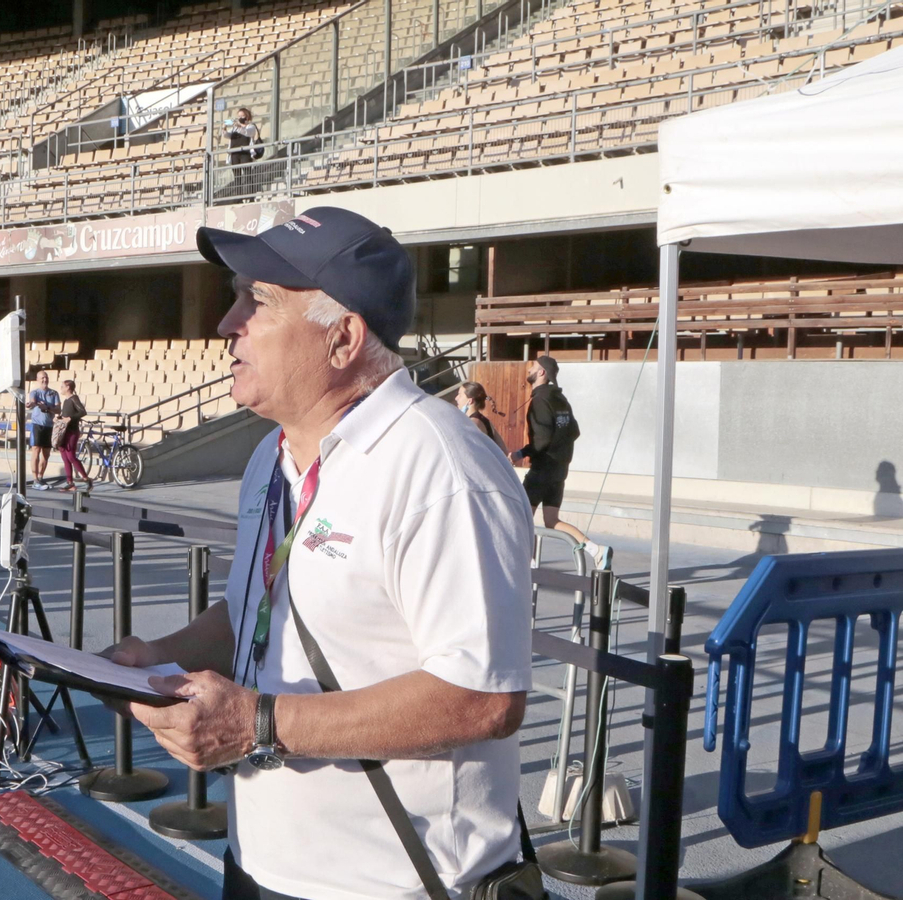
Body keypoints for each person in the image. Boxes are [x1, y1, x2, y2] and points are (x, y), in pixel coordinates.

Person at [108, 207, 534, 900]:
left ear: (343, 339)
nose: (226, 325)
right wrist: (154, 660)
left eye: (260, 301)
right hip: (260, 867)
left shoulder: (441, 469)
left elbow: (482, 696)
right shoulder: (268, 461)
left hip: (393, 885)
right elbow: (260, 610)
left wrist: (259, 724)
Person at [508, 355, 607, 568]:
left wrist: (520, 452)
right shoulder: (561, 399)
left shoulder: (540, 401)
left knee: (523, 517)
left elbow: (541, 440)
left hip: (542, 469)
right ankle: (596, 550)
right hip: (559, 470)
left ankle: (529, 566)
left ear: (541, 372)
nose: (530, 369)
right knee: (552, 521)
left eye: (533, 366)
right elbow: (575, 431)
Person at [53, 379, 93, 493]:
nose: (61, 388)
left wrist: (71, 418)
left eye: (62, 386)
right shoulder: (65, 401)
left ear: (68, 388)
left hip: (72, 431)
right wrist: (59, 417)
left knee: (71, 456)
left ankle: (86, 478)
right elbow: (66, 415)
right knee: (65, 457)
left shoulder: (74, 399)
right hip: (64, 431)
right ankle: (70, 482)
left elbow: (82, 412)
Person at [24, 370, 60, 490]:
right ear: (38, 380)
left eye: (46, 377)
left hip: (49, 425)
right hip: (37, 425)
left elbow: (58, 410)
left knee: (46, 453)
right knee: (36, 450)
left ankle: (40, 477)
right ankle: (35, 479)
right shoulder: (35, 392)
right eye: (42, 378)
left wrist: (48, 408)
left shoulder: (54, 393)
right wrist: (31, 404)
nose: (44, 380)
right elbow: (33, 402)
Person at [456, 380, 507, 454]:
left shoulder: (473, 423)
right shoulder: (485, 421)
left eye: (459, 395)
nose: (456, 398)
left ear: (470, 401)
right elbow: (503, 450)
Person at [224, 107, 261, 195]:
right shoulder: (234, 128)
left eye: (242, 116)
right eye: (239, 116)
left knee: (247, 174)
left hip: (245, 153)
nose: (240, 118)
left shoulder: (251, 126)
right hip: (234, 153)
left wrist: (241, 125)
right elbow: (227, 135)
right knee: (237, 176)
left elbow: (248, 132)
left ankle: (250, 195)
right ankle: (238, 196)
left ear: (247, 117)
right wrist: (224, 127)